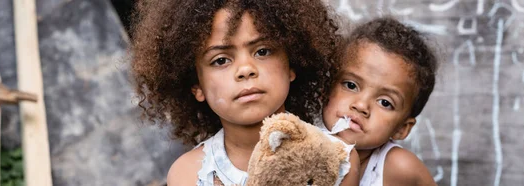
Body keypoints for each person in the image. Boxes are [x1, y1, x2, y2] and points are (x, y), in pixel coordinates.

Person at [130, 0, 359, 185]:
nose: (246, 69)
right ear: (196, 86)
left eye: (262, 51)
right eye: (220, 60)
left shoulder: (336, 159)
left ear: (292, 65)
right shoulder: (188, 175)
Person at [322, 17, 438, 186]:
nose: (361, 105)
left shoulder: (399, 168)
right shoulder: (297, 136)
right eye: (351, 85)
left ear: (401, 128)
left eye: (385, 102)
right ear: (325, 90)